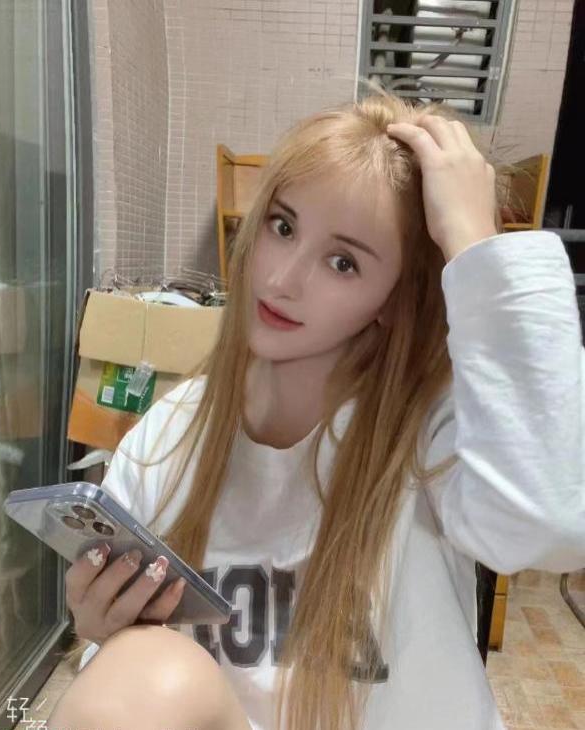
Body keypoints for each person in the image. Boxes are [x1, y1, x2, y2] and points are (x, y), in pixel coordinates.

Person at [49, 90, 585, 730]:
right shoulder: (171, 435)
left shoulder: (426, 434)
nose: (281, 280)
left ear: (393, 299)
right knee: (144, 671)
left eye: (343, 262)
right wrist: (105, 631)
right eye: (282, 227)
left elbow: (552, 522)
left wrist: (473, 242)